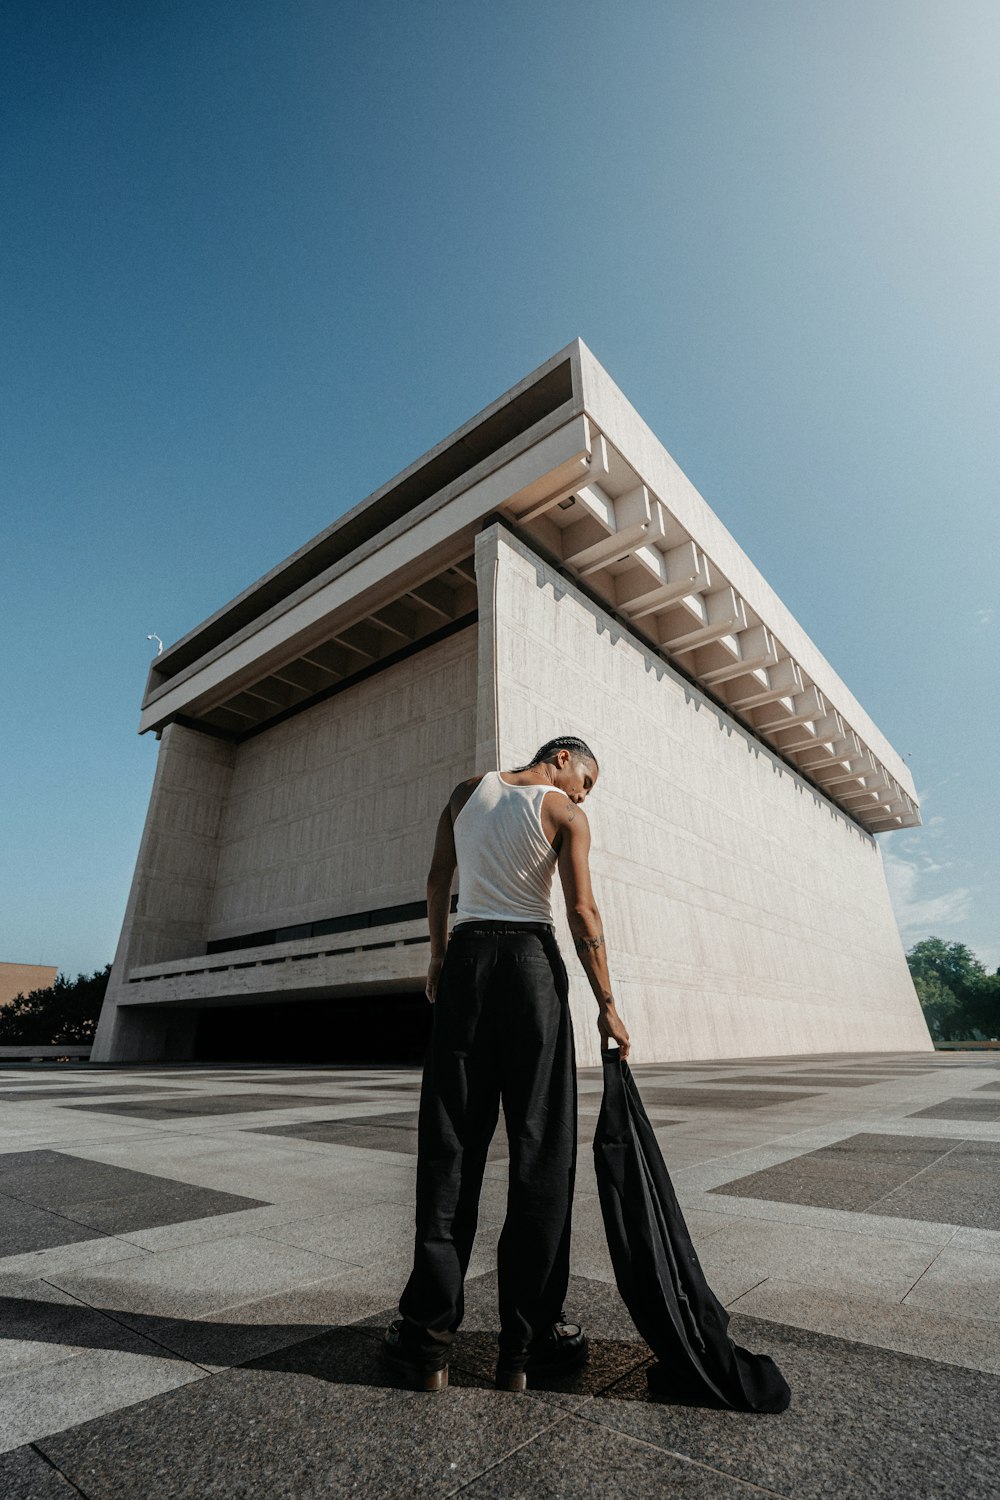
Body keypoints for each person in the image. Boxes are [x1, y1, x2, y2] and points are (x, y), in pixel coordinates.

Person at [381, 735, 631, 1393]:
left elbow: (438, 879)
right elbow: (581, 911)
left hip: (465, 964)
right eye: (587, 779)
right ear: (562, 759)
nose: (584, 793)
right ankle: (528, 1345)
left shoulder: (466, 793)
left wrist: (437, 956)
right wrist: (608, 1003)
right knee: (541, 1153)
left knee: (450, 1150)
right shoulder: (563, 813)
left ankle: (425, 1342)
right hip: (530, 968)